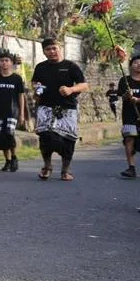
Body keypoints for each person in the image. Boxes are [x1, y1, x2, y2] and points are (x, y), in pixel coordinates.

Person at [32, 38, 88, 182]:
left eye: (54, 48)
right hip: (45, 107)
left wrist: (71, 89)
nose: (52, 52)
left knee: (68, 139)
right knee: (45, 137)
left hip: (67, 108)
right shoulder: (40, 67)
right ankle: (47, 166)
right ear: (44, 52)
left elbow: (84, 85)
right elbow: (35, 82)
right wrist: (36, 88)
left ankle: (65, 170)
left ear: (60, 48)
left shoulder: (71, 66)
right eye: (48, 49)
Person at [0, 52, 26, 172]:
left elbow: (21, 96)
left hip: (12, 111)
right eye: (2, 60)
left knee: (9, 134)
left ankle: (14, 157)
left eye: (7, 60)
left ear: (11, 63)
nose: (4, 63)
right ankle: (7, 160)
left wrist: (21, 114)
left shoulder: (17, 79)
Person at [116, 55, 140, 179]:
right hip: (129, 115)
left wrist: (137, 100)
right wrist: (127, 95)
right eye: (136, 62)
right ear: (131, 65)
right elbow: (122, 97)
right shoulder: (124, 80)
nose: (139, 65)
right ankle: (131, 168)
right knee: (129, 138)